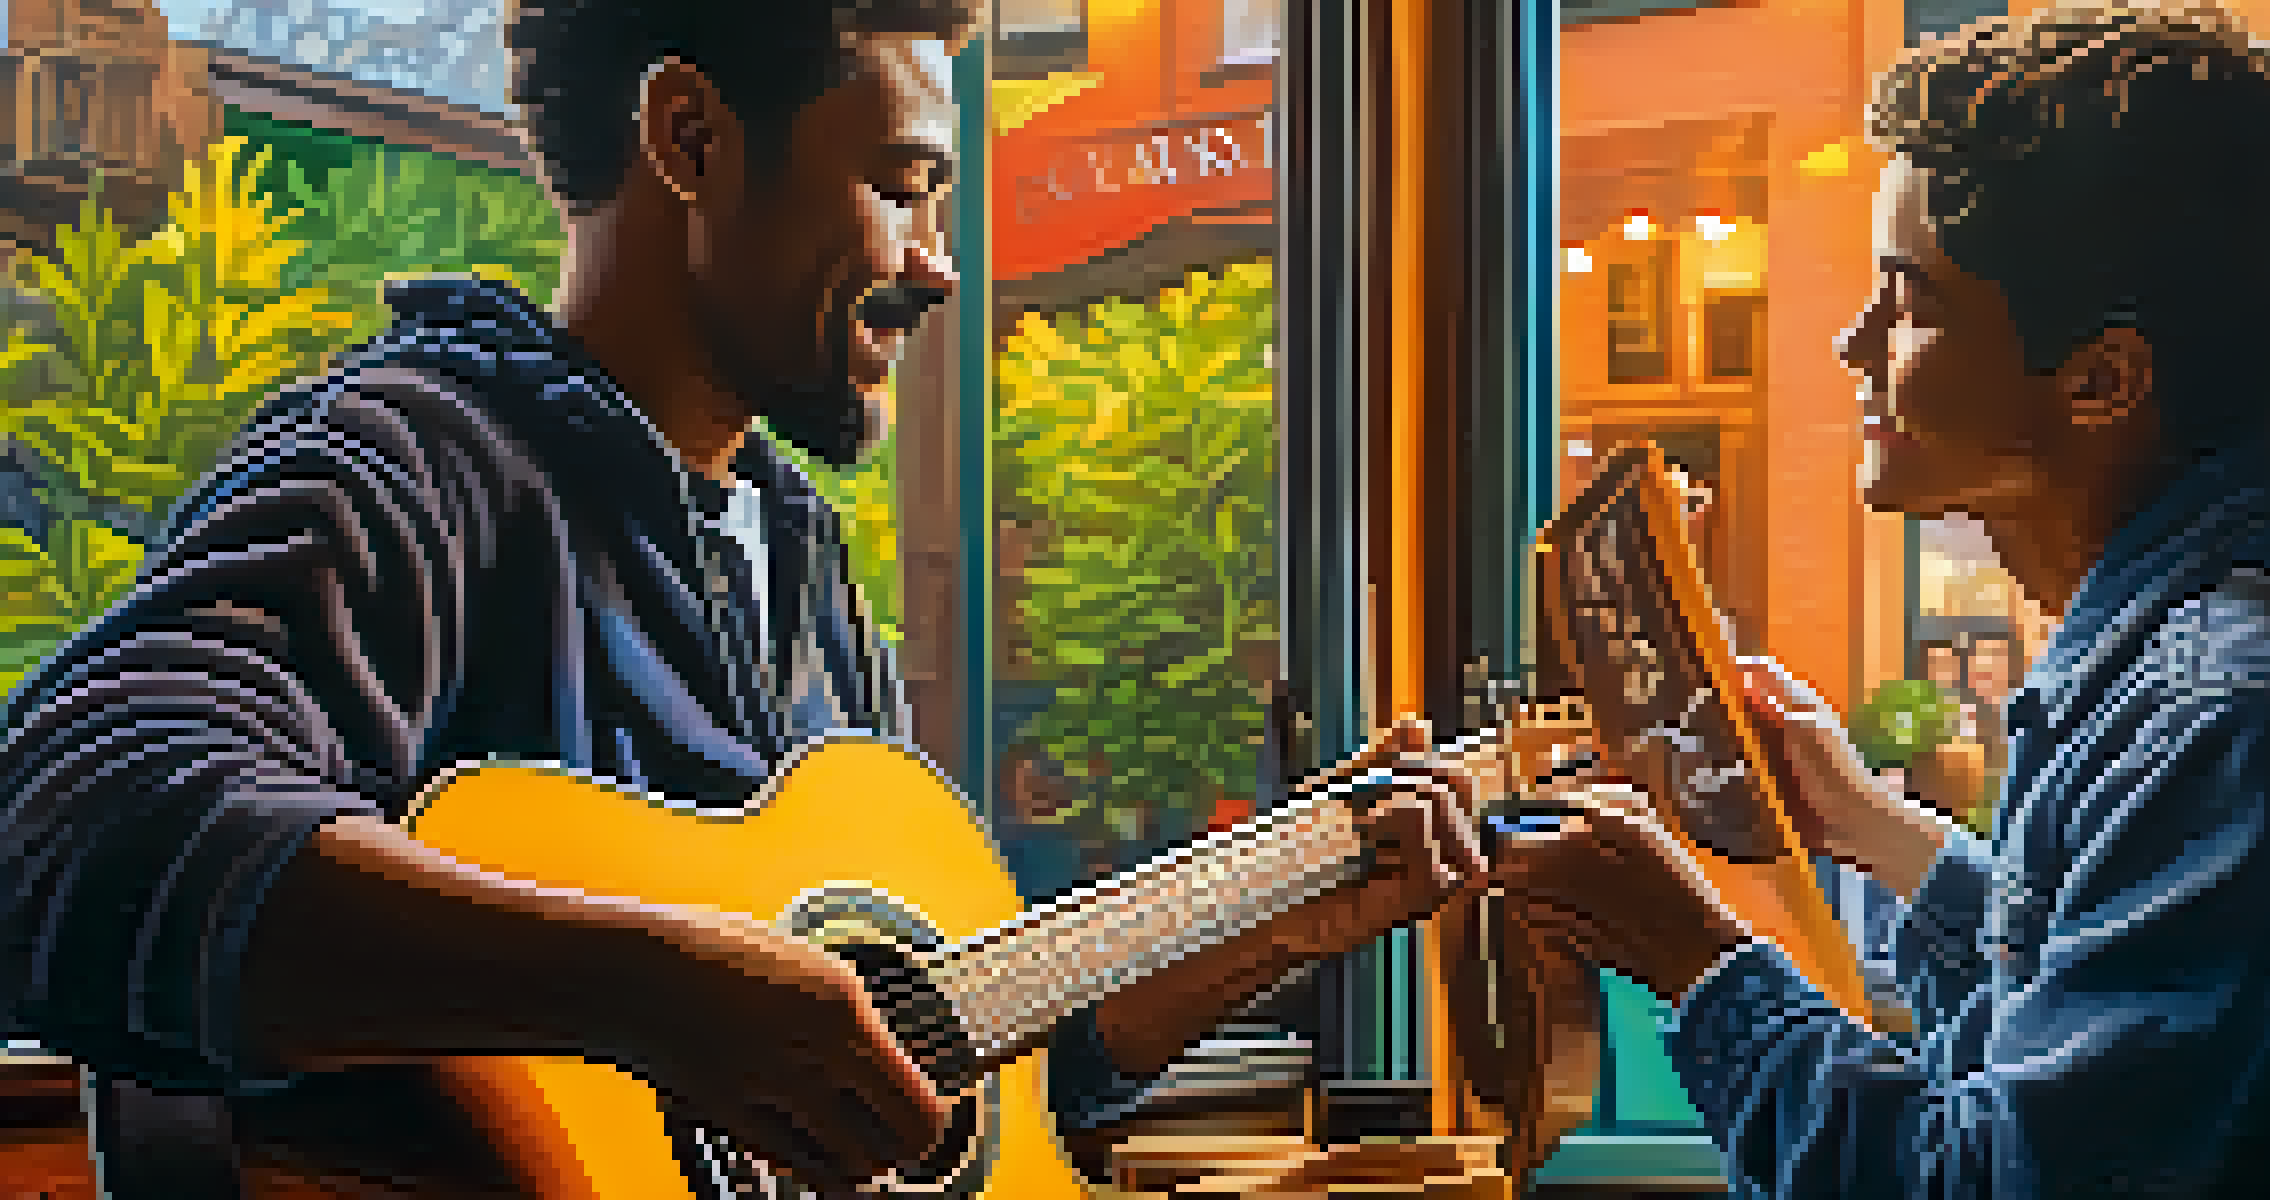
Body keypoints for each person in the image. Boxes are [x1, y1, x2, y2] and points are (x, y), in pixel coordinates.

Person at [0, 4, 1495, 1196]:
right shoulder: (411, 463)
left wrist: (1288, 918)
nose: (941, 266)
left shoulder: (800, 560)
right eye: (903, 187)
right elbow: (66, 824)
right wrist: (652, 991)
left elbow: (948, 1071)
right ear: (692, 135)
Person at [1493, 4, 2270, 1195]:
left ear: (2100, 382)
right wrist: (1865, 822)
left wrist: (1694, 956)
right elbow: (2089, 1017)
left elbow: (1980, 1180)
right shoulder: (2218, 642)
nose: (1853, 342)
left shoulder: (2227, 722)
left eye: (1909, 300)